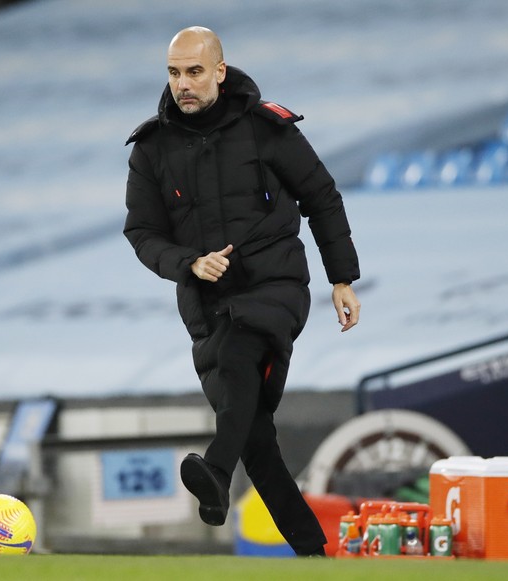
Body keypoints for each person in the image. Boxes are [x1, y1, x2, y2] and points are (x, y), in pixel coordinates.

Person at [123, 26, 360, 557]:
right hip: (207, 305)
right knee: (253, 434)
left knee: (239, 352)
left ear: (220, 71)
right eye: (173, 72)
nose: (183, 83)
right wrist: (188, 263)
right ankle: (312, 553)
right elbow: (141, 233)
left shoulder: (265, 128)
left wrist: (341, 278)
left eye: (195, 71)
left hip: (275, 284)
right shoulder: (151, 149)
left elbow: (321, 196)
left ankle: (214, 469)